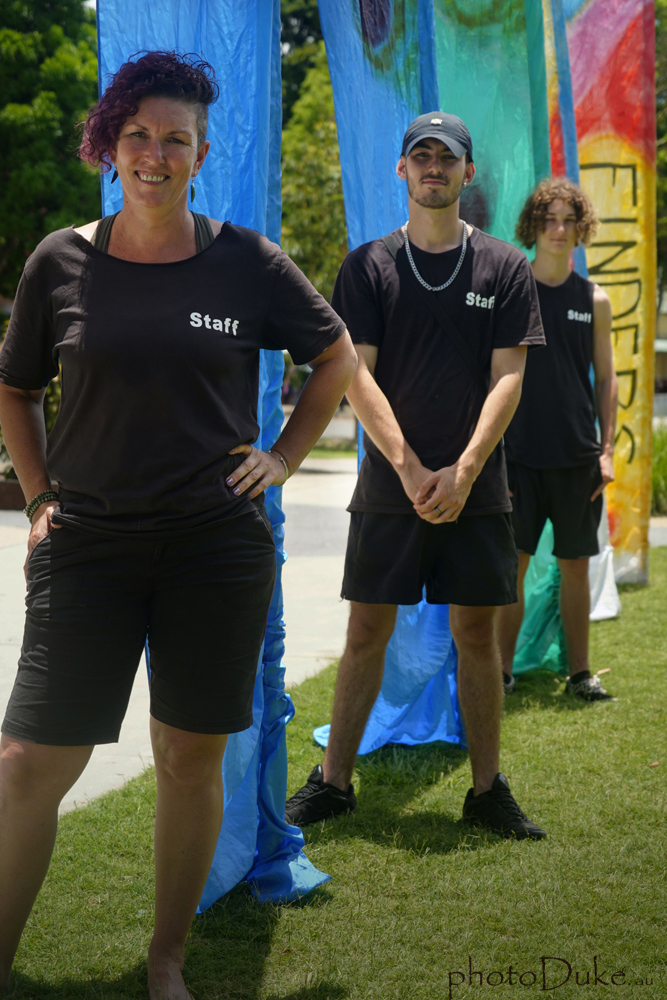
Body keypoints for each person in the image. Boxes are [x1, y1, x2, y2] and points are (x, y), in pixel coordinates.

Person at [0, 52, 357, 1000]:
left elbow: (335, 357)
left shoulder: (246, 260)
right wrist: (39, 498)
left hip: (213, 546)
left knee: (186, 757)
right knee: (31, 759)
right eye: (138, 136)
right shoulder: (61, 260)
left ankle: (166, 960)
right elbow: (17, 386)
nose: (155, 155)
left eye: (176, 140)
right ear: (109, 144)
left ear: (201, 153)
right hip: (88, 549)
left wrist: (280, 456)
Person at [285, 112, 547, 840]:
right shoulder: (367, 265)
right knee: (365, 630)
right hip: (388, 485)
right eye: (420, 155)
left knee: (476, 635)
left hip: (477, 487)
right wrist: (406, 468)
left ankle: (486, 789)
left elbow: (508, 380)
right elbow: (354, 376)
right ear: (400, 170)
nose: (433, 166)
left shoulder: (502, 267)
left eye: (447, 157)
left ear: (467, 173)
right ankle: (334, 782)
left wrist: (462, 472)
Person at [497, 179, 618, 701]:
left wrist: (607, 449)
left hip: (576, 458)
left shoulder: (595, 299)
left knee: (575, 566)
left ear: (581, 227)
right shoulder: (511, 289)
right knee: (513, 567)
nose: (559, 229)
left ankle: (579, 674)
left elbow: (607, 379)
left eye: (569, 219)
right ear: (533, 226)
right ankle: (500, 672)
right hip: (517, 458)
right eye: (549, 219)